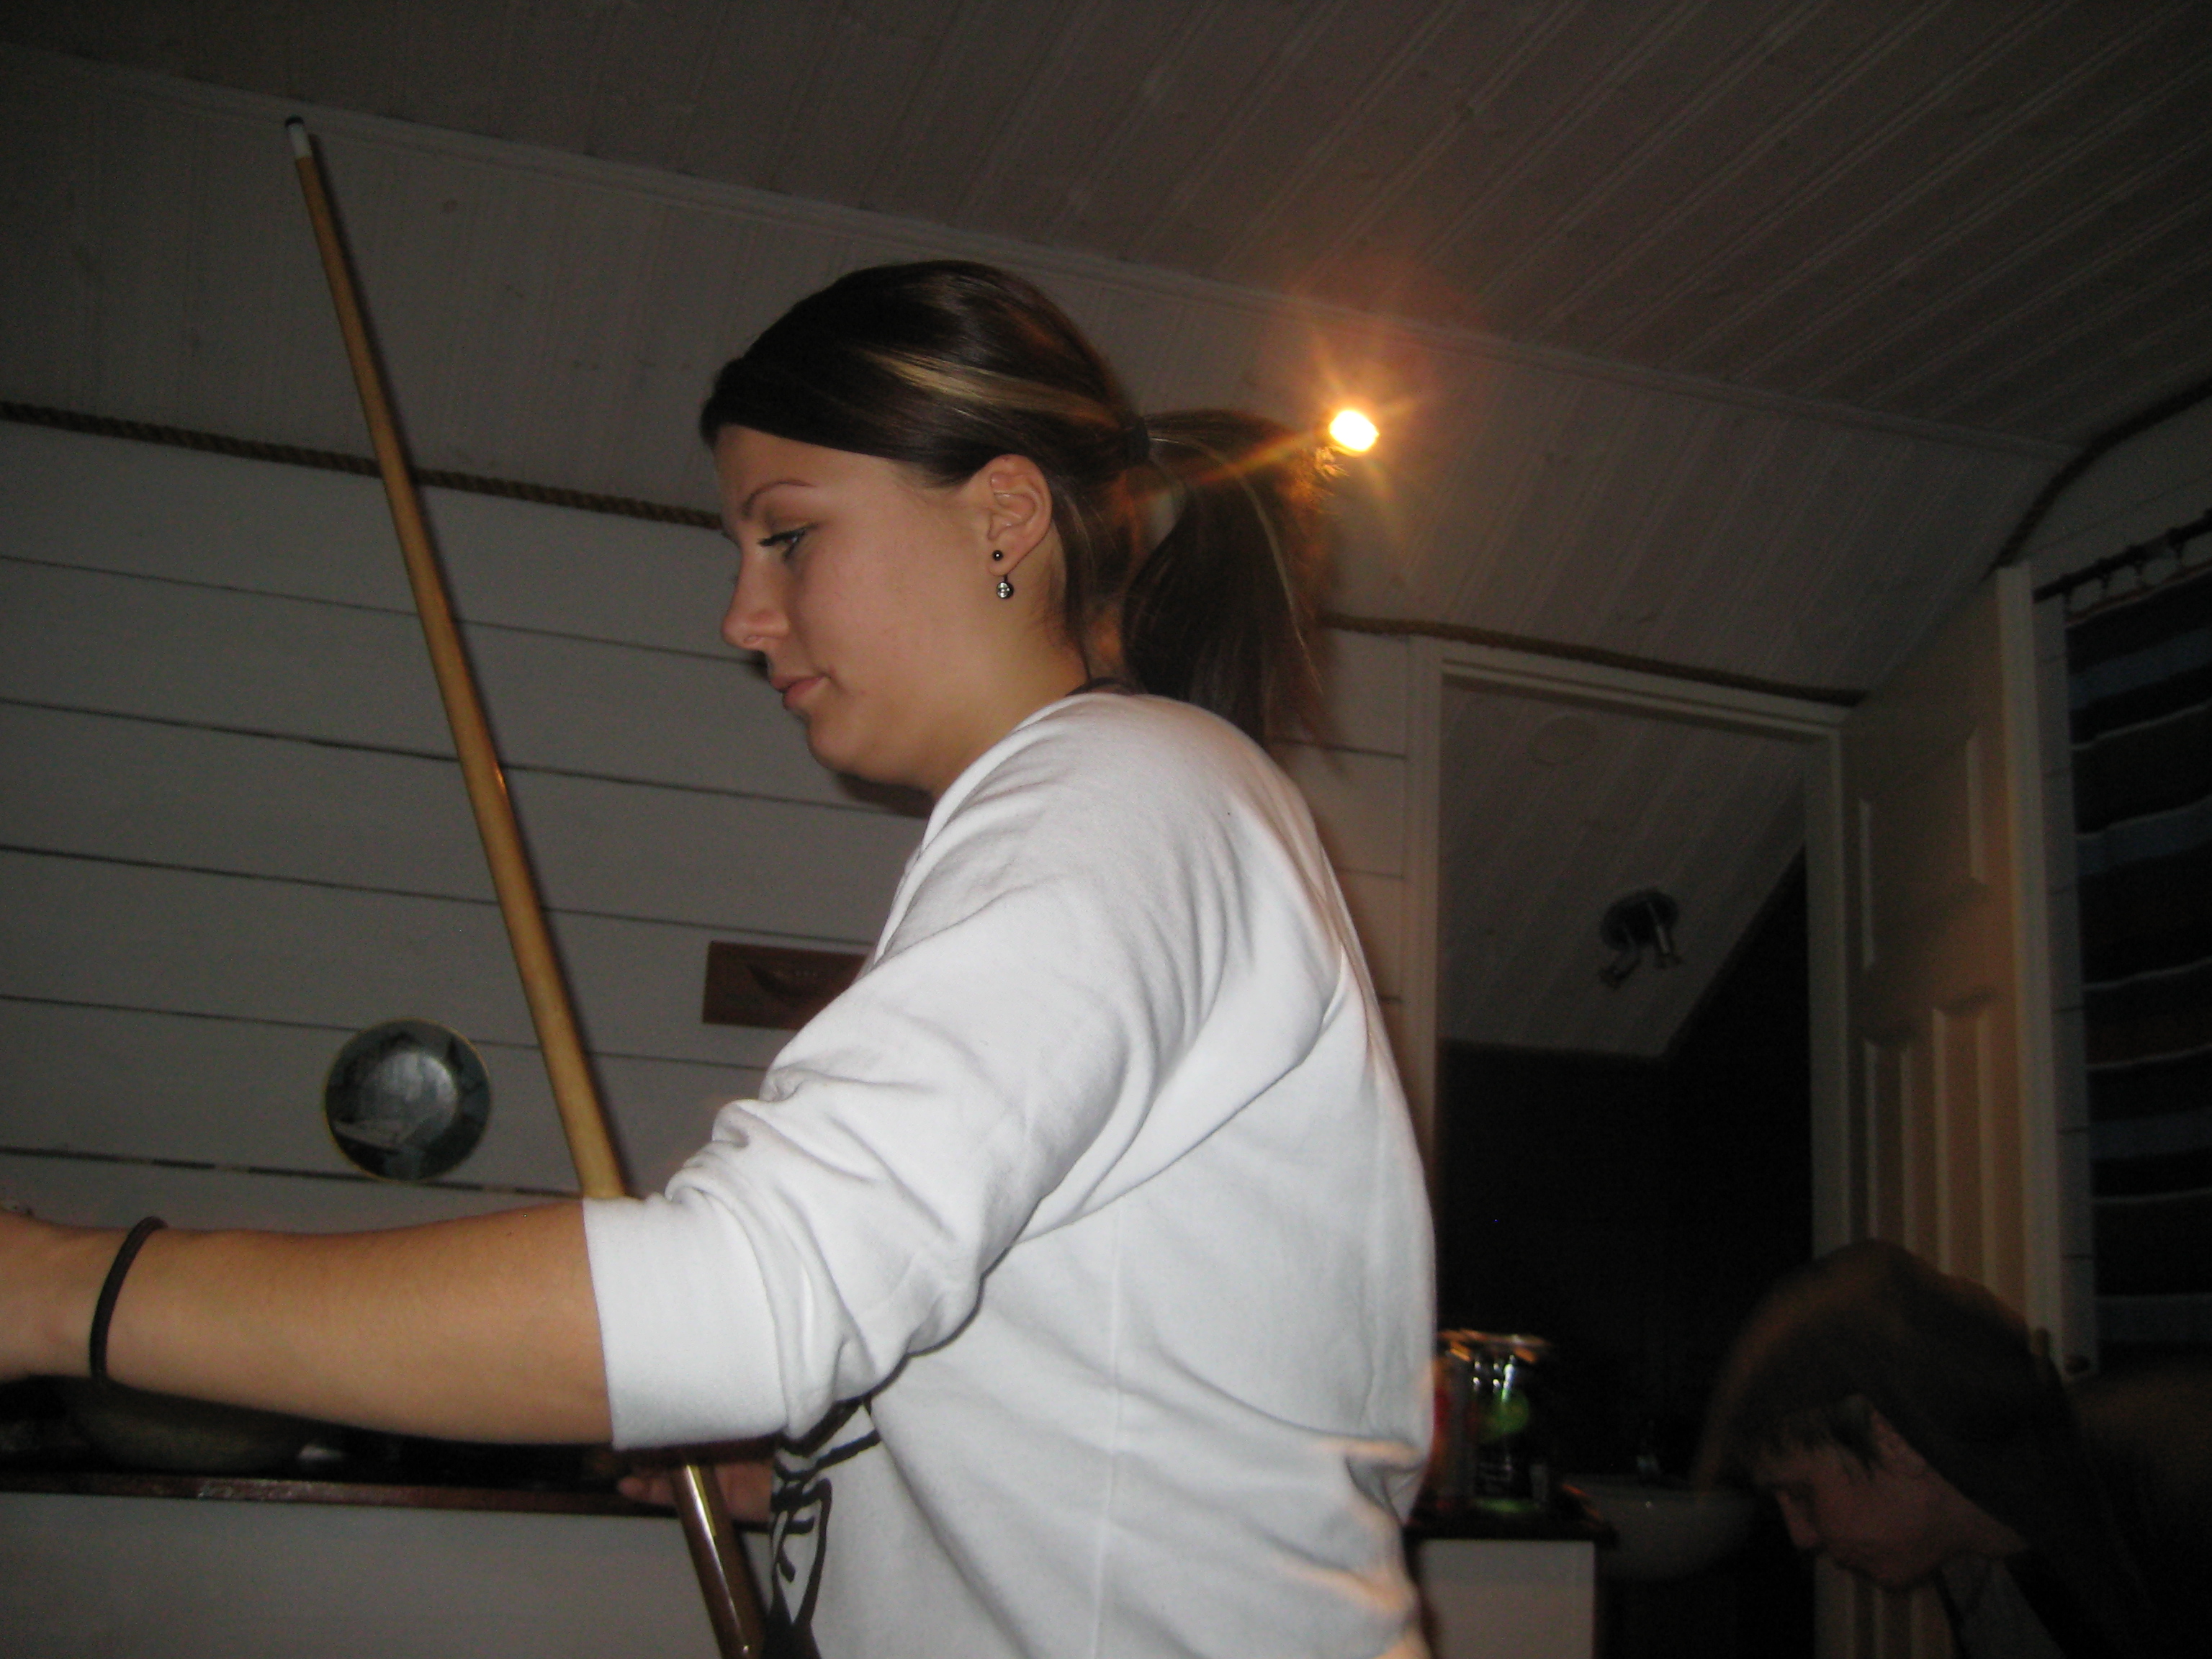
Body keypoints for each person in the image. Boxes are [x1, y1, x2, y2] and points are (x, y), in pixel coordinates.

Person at [1, 260, 1435, 1659]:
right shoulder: (1113, 802)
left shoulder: (1124, 786)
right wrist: (833, 1476)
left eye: (788, 534)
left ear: (1003, 514)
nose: (742, 620)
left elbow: (753, 1296)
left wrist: (64, 1290)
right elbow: (1099, 1387)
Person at [1698, 1239, 2212, 1658]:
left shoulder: (2178, 1473)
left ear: (1896, 1440)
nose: (1801, 1537)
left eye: (1802, 1494)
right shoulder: (1977, 1565)